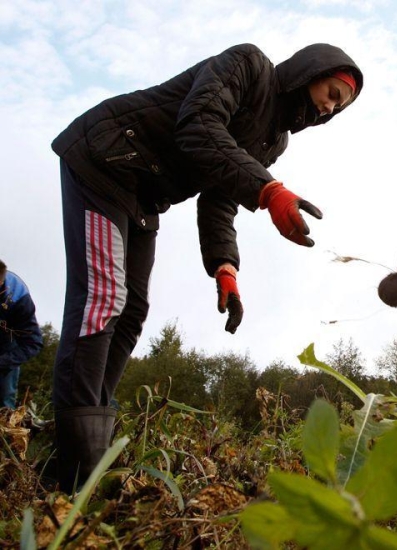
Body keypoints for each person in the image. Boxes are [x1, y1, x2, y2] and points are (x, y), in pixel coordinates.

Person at [50, 43, 363, 491]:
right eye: (332, 91)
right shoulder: (248, 65)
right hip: (106, 159)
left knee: (132, 311)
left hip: (143, 194)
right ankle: (75, 468)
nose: (330, 106)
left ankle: (90, 445)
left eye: (339, 104)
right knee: (103, 296)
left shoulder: (275, 139)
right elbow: (197, 126)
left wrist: (225, 267)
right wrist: (268, 190)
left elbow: (220, 198)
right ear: (307, 73)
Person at [0, 260, 44, 409]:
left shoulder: (19, 298)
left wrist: (3, 362)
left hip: (6, 347)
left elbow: (33, 343)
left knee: (4, 403)